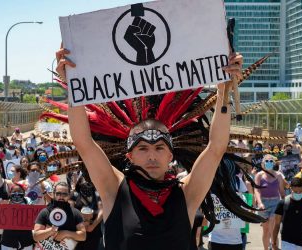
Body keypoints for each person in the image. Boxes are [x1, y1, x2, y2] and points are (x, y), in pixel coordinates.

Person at [55, 43, 243, 248]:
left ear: (170, 156)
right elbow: (85, 144)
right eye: (143, 149)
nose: (152, 156)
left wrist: (223, 90)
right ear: (130, 156)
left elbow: (216, 148)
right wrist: (73, 86)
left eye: (159, 148)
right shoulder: (114, 189)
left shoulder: (187, 194)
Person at [33, 182, 86, 247]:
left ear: (69, 195)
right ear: (53, 194)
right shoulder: (45, 212)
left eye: (65, 194)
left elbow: (83, 236)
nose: (61, 197)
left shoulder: (75, 213)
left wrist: (66, 233)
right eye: (58, 194)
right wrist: (50, 231)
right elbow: (36, 236)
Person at [272, 177, 302, 250]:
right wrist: (274, 242)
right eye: (295, 191)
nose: (298, 193)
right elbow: (276, 224)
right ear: (290, 188)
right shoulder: (283, 203)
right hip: (287, 242)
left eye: (300, 191)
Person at [254, 154, 285, 250]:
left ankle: (274, 246)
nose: (269, 163)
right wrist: (259, 203)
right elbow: (257, 190)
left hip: (275, 202)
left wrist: (285, 203)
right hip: (263, 203)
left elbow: (282, 191)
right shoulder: (259, 175)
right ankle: (266, 248)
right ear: (263, 163)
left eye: (271, 161)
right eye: (266, 161)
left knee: (273, 228)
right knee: (266, 229)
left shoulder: (279, 175)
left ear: (274, 163)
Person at [69, 177, 102, 250]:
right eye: (84, 182)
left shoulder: (97, 194)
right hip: (78, 231)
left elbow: (101, 210)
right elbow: (69, 206)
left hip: (93, 230)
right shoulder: (76, 195)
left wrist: (93, 225)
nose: (87, 184)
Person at [0, 183, 34, 250]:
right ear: (10, 193)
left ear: (24, 193)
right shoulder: (5, 204)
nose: (17, 194)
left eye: (19, 192)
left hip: (26, 239)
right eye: (14, 192)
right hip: (8, 240)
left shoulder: (29, 203)